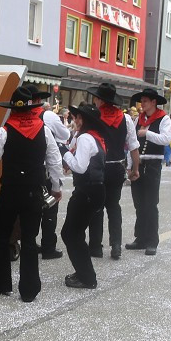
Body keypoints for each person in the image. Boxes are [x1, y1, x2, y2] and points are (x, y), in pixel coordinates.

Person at [0, 85, 64, 302]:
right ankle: (29, 290)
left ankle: (0, 283)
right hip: (33, 192)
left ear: (13, 110)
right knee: (29, 239)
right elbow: (55, 160)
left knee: (2, 235)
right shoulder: (44, 130)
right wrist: (56, 187)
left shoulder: (4, 131)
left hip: (10, 191)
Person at [86, 83, 140, 260]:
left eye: (96, 97)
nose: (94, 100)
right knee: (113, 207)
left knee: (96, 207)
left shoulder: (93, 116)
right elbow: (133, 146)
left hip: (97, 167)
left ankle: (95, 246)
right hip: (116, 167)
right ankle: (116, 245)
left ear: (101, 100)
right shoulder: (125, 119)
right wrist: (135, 169)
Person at [60, 103, 105, 289]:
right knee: (70, 233)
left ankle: (87, 277)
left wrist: (63, 153)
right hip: (92, 191)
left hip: (87, 191)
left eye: (78, 117)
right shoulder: (93, 137)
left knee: (72, 234)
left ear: (86, 120)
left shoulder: (86, 138)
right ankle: (84, 273)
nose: (75, 120)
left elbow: (80, 167)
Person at [125, 88, 171, 255]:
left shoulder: (164, 118)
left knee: (150, 204)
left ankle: (152, 240)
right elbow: (132, 145)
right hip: (139, 164)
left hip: (152, 165)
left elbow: (166, 139)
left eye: (145, 101)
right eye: (141, 101)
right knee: (139, 204)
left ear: (153, 102)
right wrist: (130, 165)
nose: (142, 104)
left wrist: (148, 133)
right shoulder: (139, 119)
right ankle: (140, 238)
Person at [39, 99, 71, 259]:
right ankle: (48, 247)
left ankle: (29, 244)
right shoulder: (49, 116)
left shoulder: (19, 115)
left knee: (31, 209)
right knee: (50, 208)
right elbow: (66, 134)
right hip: (46, 170)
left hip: (29, 171)